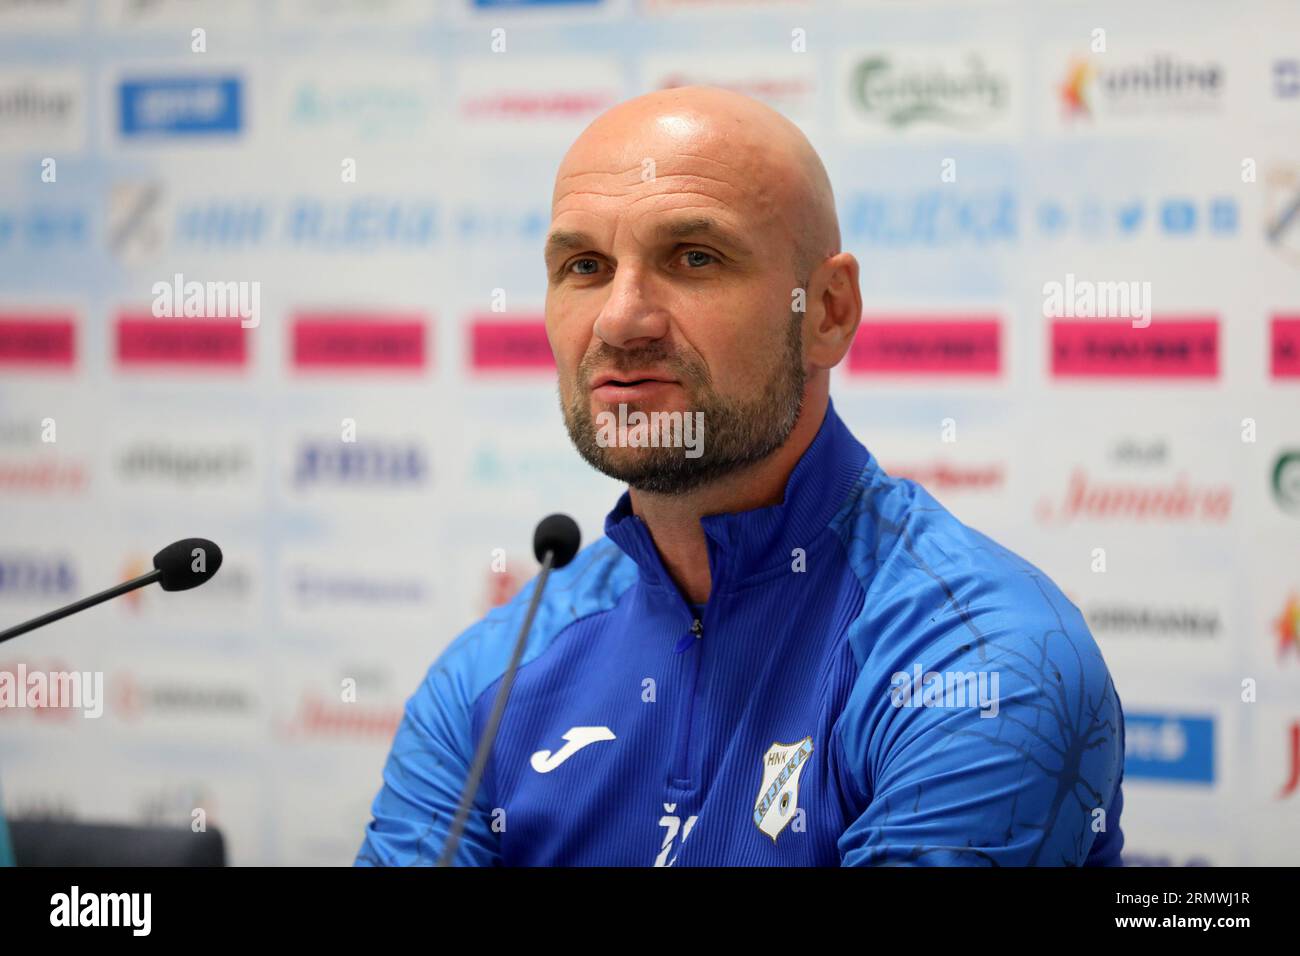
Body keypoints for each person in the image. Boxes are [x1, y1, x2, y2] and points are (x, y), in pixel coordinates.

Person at [356, 86, 1125, 866]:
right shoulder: (488, 680)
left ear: (828, 311)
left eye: (695, 258)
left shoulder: (979, 663)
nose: (621, 320)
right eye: (584, 266)